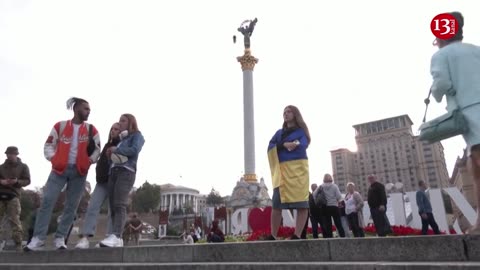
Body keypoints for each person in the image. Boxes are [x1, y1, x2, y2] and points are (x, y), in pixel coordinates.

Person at [25, 97, 101, 251]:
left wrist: (89, 161)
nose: (88, 112)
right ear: (76, 109)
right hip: (59, 170)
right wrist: (53, 159)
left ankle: (60, 238)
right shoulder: (60, 126)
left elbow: (97, 149)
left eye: (89, 110)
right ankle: (38, 238)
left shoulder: (91, 129)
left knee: (71, 206)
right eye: (85, 109)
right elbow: (48, 144)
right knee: (47, 201)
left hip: (79, 172)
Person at [430, 11, 480, 234]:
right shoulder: (475, 50)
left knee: (477, 164)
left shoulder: (441, 55)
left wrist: (441, 93)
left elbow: (441, 84)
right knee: (475, 166)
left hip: (472, 114)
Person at [100, 114, 145, 247]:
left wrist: (117, 149)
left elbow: (134, 150)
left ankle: (117, 236)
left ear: (131, 123)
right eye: (119, 121)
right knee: (113, 206)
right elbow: (117, 157)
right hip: (113, 171)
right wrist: (110, 155)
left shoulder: (137, 136)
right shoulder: (121, 139)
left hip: (126, 171)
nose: (120, 123)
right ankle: (114, 236)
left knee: (119, 204)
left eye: (123, 120)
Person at [267, 105, 310, 240]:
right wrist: (283, 145)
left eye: (289, 111)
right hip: (282, 172)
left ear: (295, 114)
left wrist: (294, 143)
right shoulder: (279, 133)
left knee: (302, 204)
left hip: (298, 171)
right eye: (284, 112)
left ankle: (297, 234)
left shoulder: (301, 131)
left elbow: (304, 143)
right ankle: (273, 235)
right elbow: (270, 146)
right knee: (276, 204)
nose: (286, 114)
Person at [75, 122, 121, 249]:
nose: (113, 131)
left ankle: (110, 236)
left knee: (113, 210)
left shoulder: (122, 144)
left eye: (116, 129)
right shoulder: (107, 144)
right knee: (92, 207)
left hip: (114, 182)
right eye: (112, 128)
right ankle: (85, 238)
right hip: (101, 182)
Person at [0, 146, 31, 251]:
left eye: (11, 154)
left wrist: (17, 181)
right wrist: (1, 181)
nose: (9, 156)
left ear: (16, 154)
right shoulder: (1, 167)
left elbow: (27, 181)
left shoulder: (23, 167)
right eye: (8, 154)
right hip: (1, 194)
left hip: (13, 195)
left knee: (15, 220)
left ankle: (18, 244)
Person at [319, 174, 345, 238]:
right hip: (334, 207)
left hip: (325, 207)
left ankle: (330, 239)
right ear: (331, 178)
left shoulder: (321, 186)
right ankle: (343, 237)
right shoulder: (334, 186)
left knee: (328, 225)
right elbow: (339, 197)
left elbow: (315, 195)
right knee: (338, 224)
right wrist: (339, 202)